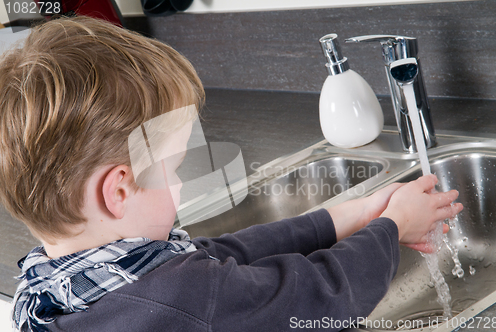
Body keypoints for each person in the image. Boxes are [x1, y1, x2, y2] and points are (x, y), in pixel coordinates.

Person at [0, 16, 463, 332]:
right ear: (119, 189)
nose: (181, 183)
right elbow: (321, 295)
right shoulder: (182, 296)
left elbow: (223, 255)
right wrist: (392, 228)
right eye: (176, 169)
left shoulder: (58, 285)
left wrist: (357, 214)